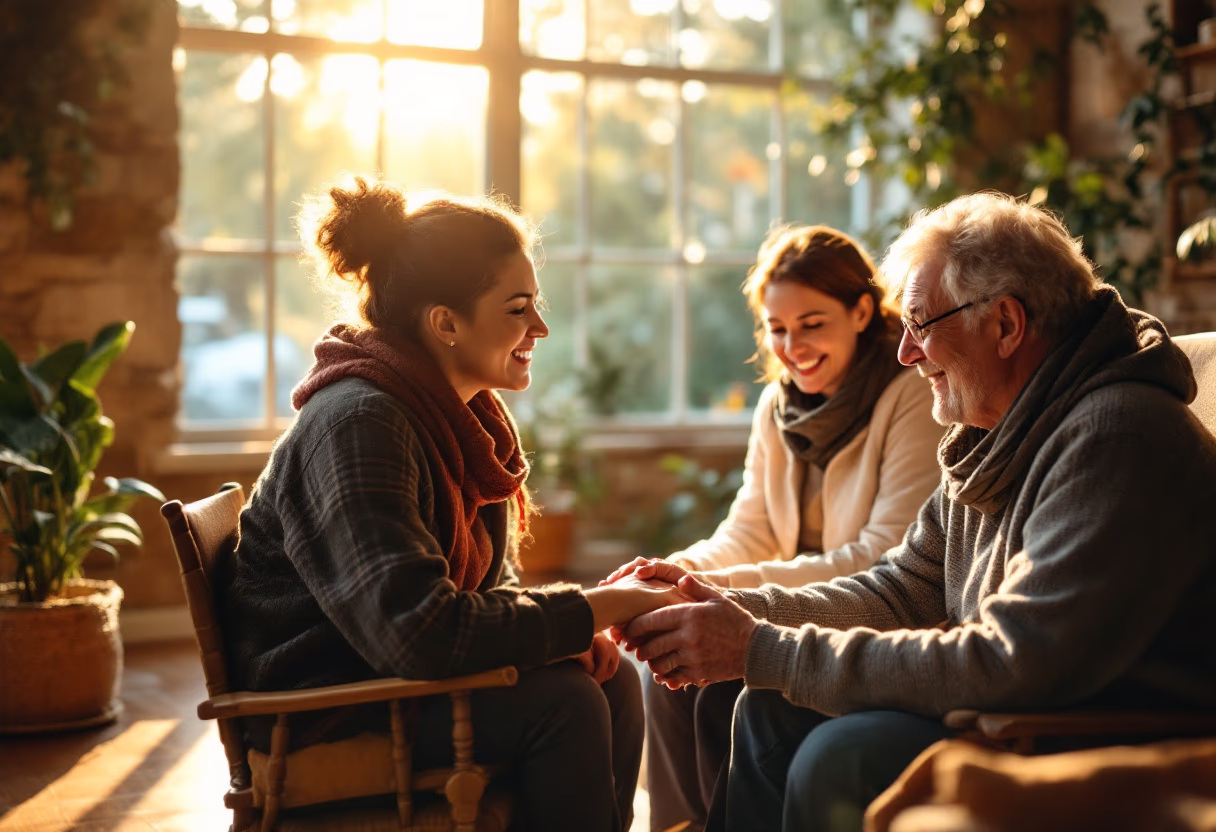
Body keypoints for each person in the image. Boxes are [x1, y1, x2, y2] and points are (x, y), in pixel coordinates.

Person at [611, 192, 1216, 832]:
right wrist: (731, 611)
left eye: (921, 323)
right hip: (1006, 703)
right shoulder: (997, 433)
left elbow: (1017, 662)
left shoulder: (1117, 436)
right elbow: (902, 590)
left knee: (835, 755)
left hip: (1084, 729)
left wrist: (762, 647)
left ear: (1006, 325)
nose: (906, 352)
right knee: (763, 708)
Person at [222, 177, 688, 832]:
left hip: (386, 674)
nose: (540, 327)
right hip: (333, 703)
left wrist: (567, 633)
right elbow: (419, 633)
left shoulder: (458, 416)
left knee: (608, 680)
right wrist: (600, 608)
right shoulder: (360, 424)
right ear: (444, 322)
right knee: (565, 705)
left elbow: (487, 588)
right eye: (518, 307)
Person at [611, 225, 943, 832]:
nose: (792, 346)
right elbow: (749, 530)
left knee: (714, 684)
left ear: (862, 310)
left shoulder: (911, 396)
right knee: (669, 667)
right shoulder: (777, 406)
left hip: (861, 615)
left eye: (812, 324)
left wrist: (720, 597)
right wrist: (672, 577)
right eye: (777, 328)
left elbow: (881, 557)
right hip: (778, 605)